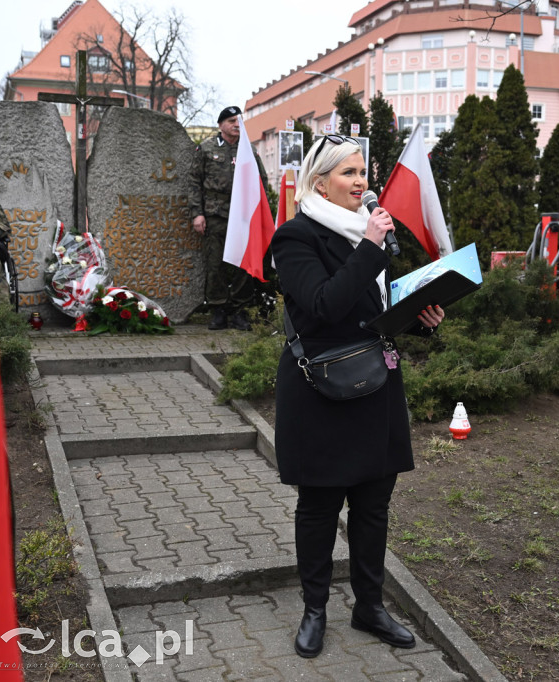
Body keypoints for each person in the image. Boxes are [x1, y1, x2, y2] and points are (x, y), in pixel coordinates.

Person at [271, 134, 445, 658]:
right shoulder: (295, 238)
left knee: (374, 504)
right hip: (320, 389)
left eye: (362, 172)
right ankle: (315, 610)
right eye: (349, 173)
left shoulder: (367, 236)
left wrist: (419, 318)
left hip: (376, 386)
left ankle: (369, 606)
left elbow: (370, 313)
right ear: (319, 182)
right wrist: (370, 247)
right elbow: (324, 306)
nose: (361, 182)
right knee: (320, 505)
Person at [188, 106, 269, 331]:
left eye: (239, 120)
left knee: (244, 264)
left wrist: (260, 212)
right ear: (221, 124)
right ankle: (218, 309)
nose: (236, 124)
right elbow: (194, 182)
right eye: (232, 120)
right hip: (215, 214)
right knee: (216, 264)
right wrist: (197, 213)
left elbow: (261, 181)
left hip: (243, 214)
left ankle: (239, 310)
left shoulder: (248, 150)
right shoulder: (206, 148)